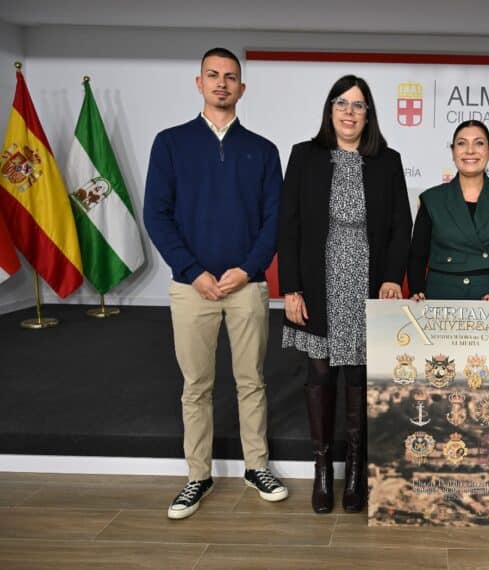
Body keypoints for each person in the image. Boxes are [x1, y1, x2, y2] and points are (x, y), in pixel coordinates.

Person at [144, 47, 287, 520]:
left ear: (242, 88)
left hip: (246, 285)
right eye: (213, 75)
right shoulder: (170, 143)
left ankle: (257, 467)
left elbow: (274, 221)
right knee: (196, 385)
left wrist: (248, 269)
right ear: (199, 83)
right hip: (192, 288)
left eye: (230, 77)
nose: (221, 83)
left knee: (251, 382)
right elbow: (156, 215)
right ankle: (197, 476)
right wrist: (193, 271)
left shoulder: (263, 150)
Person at [278, 75, 412, 514]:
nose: (349, 112)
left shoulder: (387, 161)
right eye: (341, 103)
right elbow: (289, 226)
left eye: (358, 105)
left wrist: (392, 277)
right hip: (317, 280)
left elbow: (401, 227)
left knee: (358, 375)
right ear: (330, 109)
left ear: (368, 114)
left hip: (367, 282)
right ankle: (322, 469)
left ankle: (355, 470)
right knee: (320, 374)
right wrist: (291, 288)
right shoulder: (305, 156)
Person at [408, 120, 489, 301]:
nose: (470, 151)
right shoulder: (432, 199)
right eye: (461, 143)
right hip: (440, 301)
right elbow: (417, 256)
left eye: (479, 143)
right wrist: (417, 292)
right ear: (453, 152)